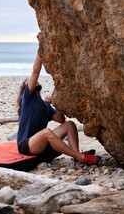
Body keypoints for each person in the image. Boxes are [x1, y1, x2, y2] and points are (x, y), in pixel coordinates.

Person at [16, 34, 101, 165]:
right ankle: (81, 158)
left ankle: (76, 156)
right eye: (28, 82)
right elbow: (36, 70)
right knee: (46, 132)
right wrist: (41, 45)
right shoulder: (27, 97)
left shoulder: (45, 105)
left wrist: (55, 104)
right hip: (26, 146)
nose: (32, 80)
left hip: (42, 145)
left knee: (69, 125)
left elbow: (60, 119)